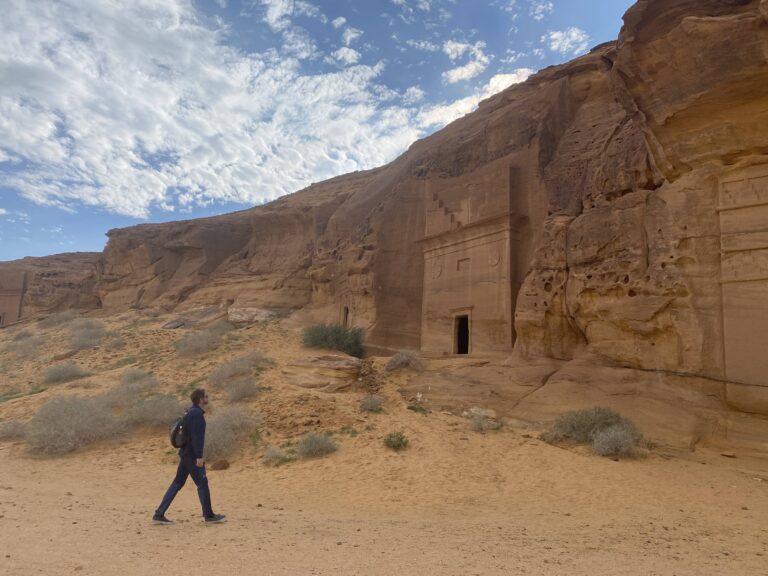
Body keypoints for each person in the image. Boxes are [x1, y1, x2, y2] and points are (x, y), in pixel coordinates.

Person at [152, 388, 226, 525]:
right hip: (191, 456)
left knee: (177, 482)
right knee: (202, 483)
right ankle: (209, 516)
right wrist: (199, 456)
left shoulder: (190, 412)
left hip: (185, 454)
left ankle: (159, 513)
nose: (207, 398)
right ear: (200, 399)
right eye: (206, 396)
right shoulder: (197, 415)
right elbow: (197, 437)